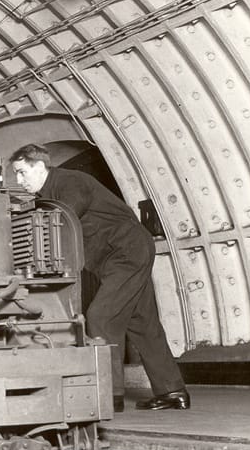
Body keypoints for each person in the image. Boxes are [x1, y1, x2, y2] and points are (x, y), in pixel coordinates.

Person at [10, 144, 189, 412]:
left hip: (126, 251)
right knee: (142, 321)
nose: (19, 180)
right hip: (117, 257)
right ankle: (173, 391)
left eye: (22, 173)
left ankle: (109, 394)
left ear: (39, 166)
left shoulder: (70, 182)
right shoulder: (49, 195)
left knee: (100, 317)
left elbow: (60, 224)